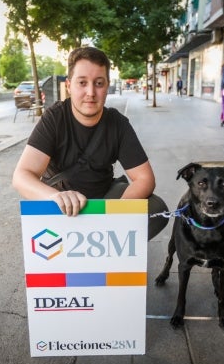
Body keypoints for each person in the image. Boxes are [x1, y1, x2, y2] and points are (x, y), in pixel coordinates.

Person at [11, 46, 168, 240]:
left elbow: (145, 178)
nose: (91, 92)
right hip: (62, 205)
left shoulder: (117, 123)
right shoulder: (54, 118)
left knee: (157, 209)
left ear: (107, 86)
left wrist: (118, 212)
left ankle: (109, 249)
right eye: (82, 83)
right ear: (69, 85)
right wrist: (53, 197)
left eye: (99, 83)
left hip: (103, 200)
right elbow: (22, 176)